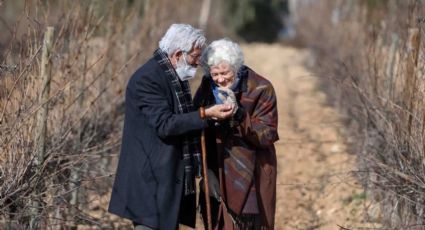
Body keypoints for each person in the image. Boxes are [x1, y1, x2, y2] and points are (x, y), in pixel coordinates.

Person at [108, 24, 234, 230]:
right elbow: (165, 124)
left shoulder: (175, 74)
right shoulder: (147, 79)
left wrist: (211, 115)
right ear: (177, 54)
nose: (196, 63)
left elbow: (185, 117)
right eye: (195, 57)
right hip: (149, 184)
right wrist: (205, 114)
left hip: (167, 179)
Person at [194, 38, 279, 229]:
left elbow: (267, 135)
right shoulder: (208, 85)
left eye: (225, 73)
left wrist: (240, 115)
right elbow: (196, 114)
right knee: (217, 220)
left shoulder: (261, 88)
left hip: (251, 170)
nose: (220, 79)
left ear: (237, 67)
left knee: (249, 223)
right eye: (215, 73)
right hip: (216, 166)